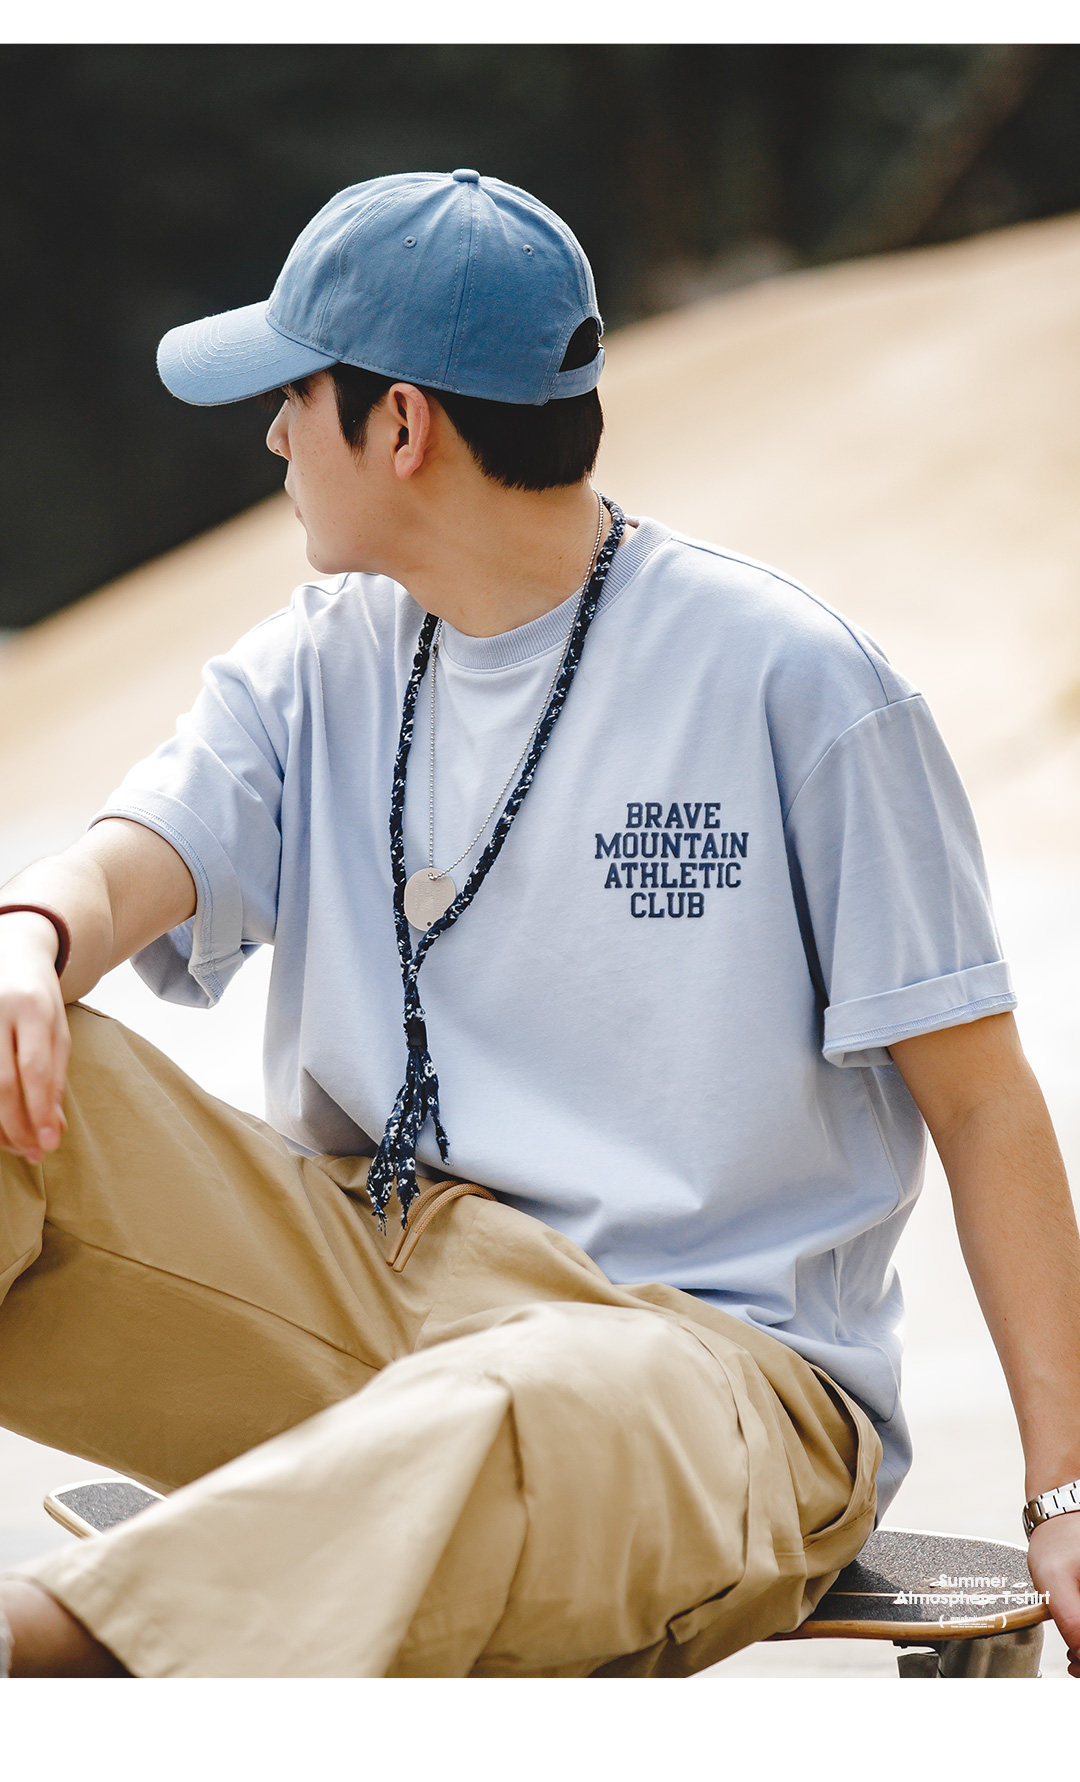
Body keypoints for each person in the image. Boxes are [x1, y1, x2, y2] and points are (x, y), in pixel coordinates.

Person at [1, 168, 1079, 1679]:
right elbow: (129, 867)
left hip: (707, 1376)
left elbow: (981, 1102)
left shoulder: (796, 683)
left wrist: (1066, 1492)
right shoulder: (319, 659)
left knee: (529, 1399)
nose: (273, 436)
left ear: (400, 425)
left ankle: (55, 1651)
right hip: (371, 1288)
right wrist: (30, 937)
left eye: (293, 396)